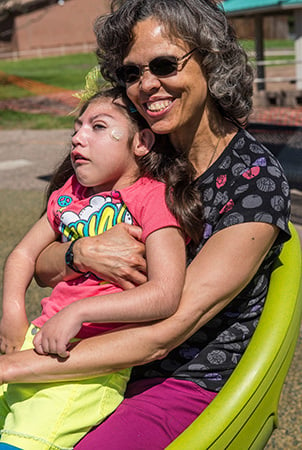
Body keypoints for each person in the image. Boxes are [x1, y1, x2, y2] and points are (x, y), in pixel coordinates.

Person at [0, 0, 291, 449]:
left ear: (210, 60)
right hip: (92, 354)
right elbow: (41, 263)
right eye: (132, 73)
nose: (147, 85)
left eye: (164, 64)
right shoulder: (136, 155)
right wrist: (82, 252)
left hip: (176, 377)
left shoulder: (254, 181)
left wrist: (15, 366)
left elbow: (164, 333)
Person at [0, 83, 205, 449]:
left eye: (97, 127)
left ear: (141, 142)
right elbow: (22, 255)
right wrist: (13, 311)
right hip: (41, 340)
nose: (77, 138)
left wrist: (81, 310)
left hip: (90, 365)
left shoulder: (154, 198)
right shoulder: (70, 195)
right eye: (77, 127)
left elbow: (165, 293)